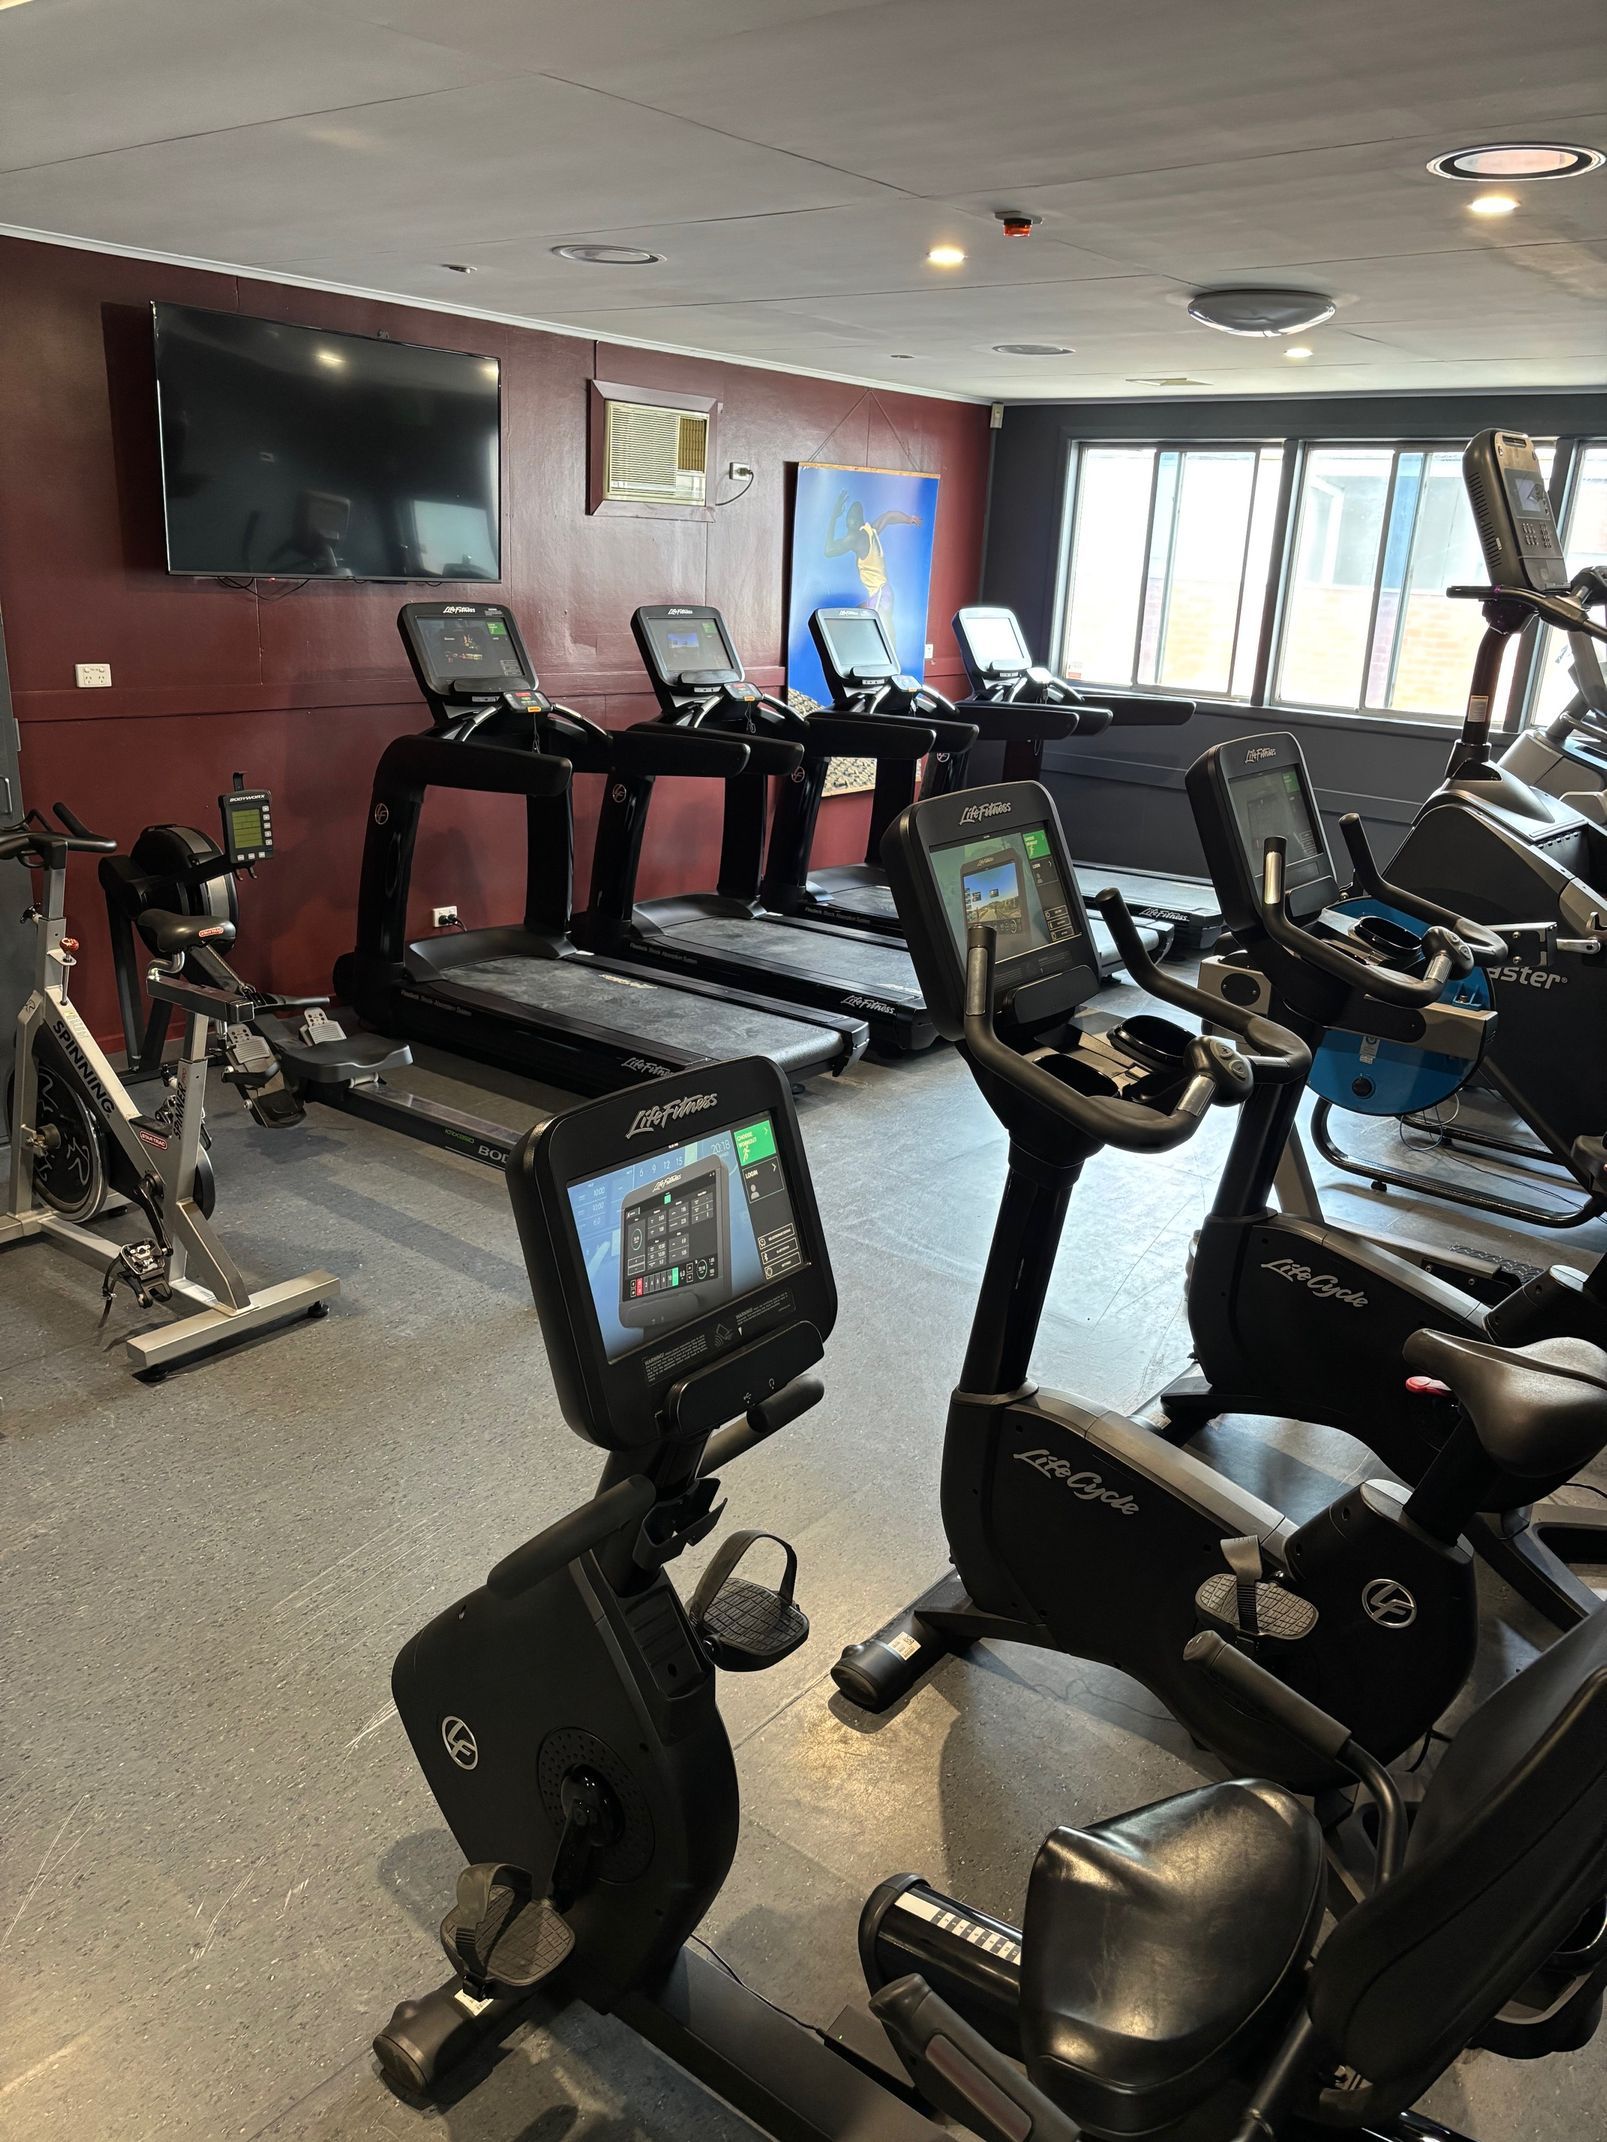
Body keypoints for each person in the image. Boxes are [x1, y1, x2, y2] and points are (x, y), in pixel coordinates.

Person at [825, 491, 923, 660]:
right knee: (855, 617)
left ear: (859, 521)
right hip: (881, 593)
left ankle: (891, 669)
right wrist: (909, 519)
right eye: (848, 519)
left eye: (852, 519)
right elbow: (889, 516)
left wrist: (834, 516)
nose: (849, 522)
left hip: (880, 595)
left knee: (885, 640)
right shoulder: (871, 530)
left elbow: (828, 550)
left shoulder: (855, 537)